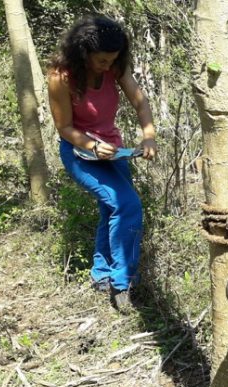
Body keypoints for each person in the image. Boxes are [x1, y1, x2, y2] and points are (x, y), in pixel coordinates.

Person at [48, 15, 157, 313]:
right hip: (80, 154)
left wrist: (148, 136)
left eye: (112, 60)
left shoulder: (116, 66)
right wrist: (93, 146)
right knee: (128, 205)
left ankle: (101, 274)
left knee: (111, 209)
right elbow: (64, 128)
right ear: (82, 53)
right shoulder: (61, 76)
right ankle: (123, 284)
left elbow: (140, 102)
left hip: (114, 150)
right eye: (101, 60)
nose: (107, 66)